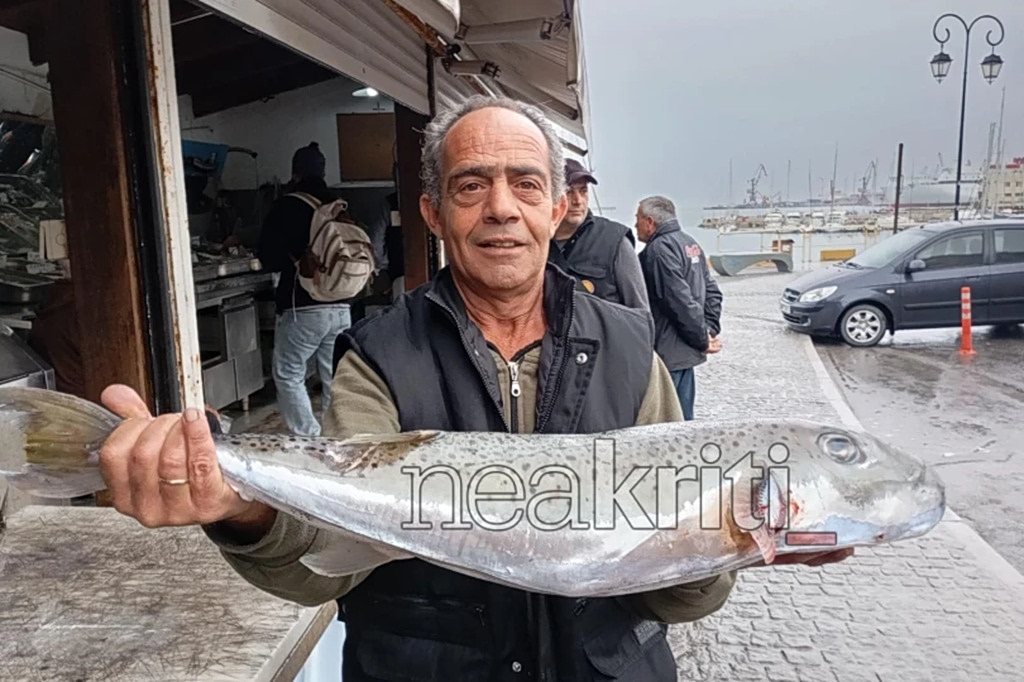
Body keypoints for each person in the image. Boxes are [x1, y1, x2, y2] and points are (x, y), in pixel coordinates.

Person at [95, 96, 852, 681]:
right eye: (471, 185)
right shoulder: (377, 356)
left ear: (557, 211)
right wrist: (244, 507)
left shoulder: (631, 350)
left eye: (526, 184)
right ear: (433, 213)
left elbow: (677, 598)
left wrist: (725, 546)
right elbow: (328, 558)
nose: (500, 207)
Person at [256, 142, 352, 437]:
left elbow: (268, 257)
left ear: (295, 172)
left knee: (288, 373)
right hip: (342, 303)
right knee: (334, 377)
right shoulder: (339, 204)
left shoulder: (287, 205)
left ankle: (308, 439)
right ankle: (337, 435)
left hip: (306, 304)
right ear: (323, 171)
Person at [635, 195, 723, 420]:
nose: (635, 225)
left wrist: (703, 337)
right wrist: (708, 329)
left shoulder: (658, 250)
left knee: (666, 420)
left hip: (667, 354)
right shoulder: (690, 243)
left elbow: (679, 302)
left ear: (650, 222)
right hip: (684, 351)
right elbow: (711, 291)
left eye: (637, 219)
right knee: (684, 417)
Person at [547, 159, 650, 310]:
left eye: (583, 191)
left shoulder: (614, 240)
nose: (578, 200)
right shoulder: (535, 241)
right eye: (568, 192)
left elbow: (641, 316)